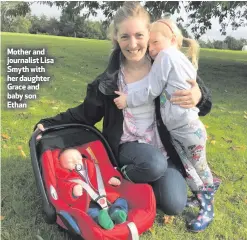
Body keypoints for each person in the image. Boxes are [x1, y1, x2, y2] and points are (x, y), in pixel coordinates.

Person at [34, 1, 212, 231]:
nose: (133, 43)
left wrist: (198, 96)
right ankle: (123, 174)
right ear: (116, 38)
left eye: (139, 35)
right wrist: (47, 124)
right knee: (154, 164)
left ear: (149, 34)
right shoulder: (109, 81)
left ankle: (143, 181)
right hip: (127, 146)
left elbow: (205, 105)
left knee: (174, 204)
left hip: (164, 149)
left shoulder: (166, 62)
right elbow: (84, 115)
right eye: (125, 36)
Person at [114, 18, 220, 232]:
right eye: (150, 44)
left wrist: (198, 96)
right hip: (176, 132)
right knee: (191, 167)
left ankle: (207, 202)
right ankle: (201, 194)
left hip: (186, 129)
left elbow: (153, 90)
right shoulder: (171, 57)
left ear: (172, 40)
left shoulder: (166, 57)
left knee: (197, 170)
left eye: (155, 42)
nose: (151, 49)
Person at [57, 148, 128, 230]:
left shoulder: (93, 165)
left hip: (108, 197)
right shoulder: (67, 178)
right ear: (63, 166)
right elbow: (63, 189)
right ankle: (101, 220)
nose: (75, 161)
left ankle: (116, 212)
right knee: (91, 213)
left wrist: (111, 178)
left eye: (77, 158)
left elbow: (105, 170)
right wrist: (73, 190)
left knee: (121, 201)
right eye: (70, 162)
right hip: (90, 203)